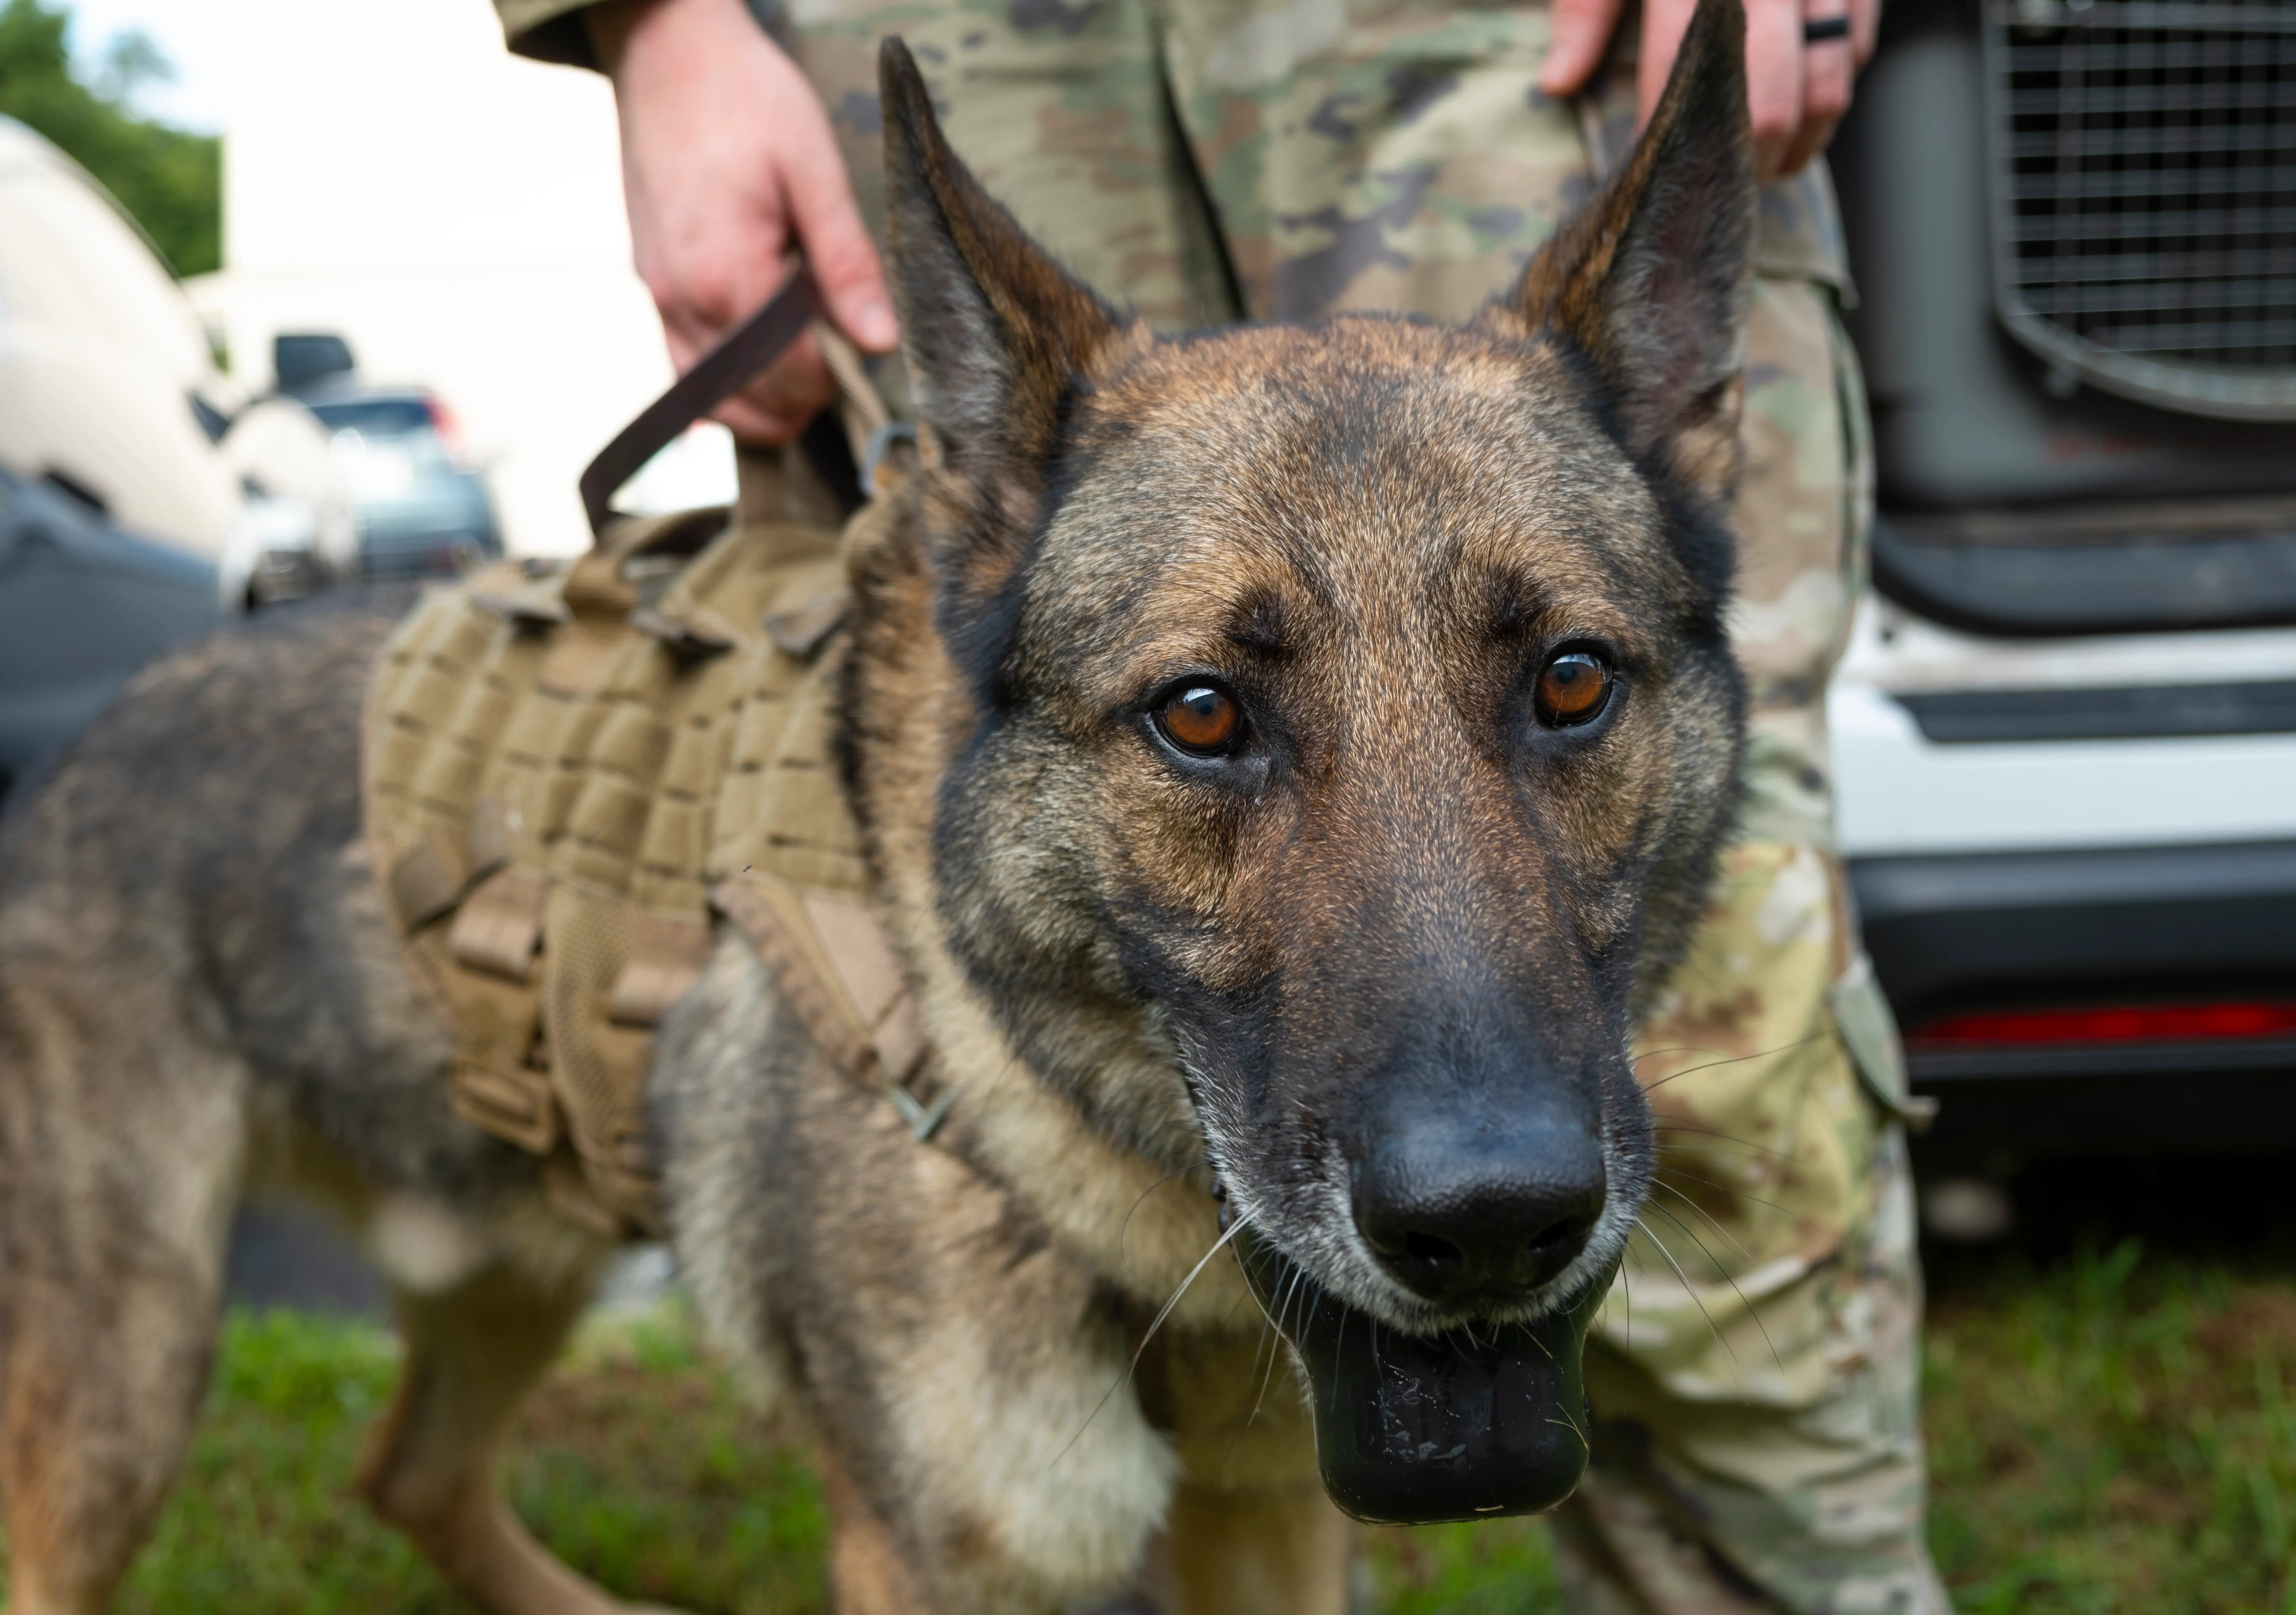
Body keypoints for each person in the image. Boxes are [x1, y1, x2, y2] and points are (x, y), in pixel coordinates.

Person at [493, 0, 1948, 1605]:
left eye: (1569, 691)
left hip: (1518, 38)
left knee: (1729, 1072)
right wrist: (652, 23)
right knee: (1001, 1068)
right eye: (1208, 717)